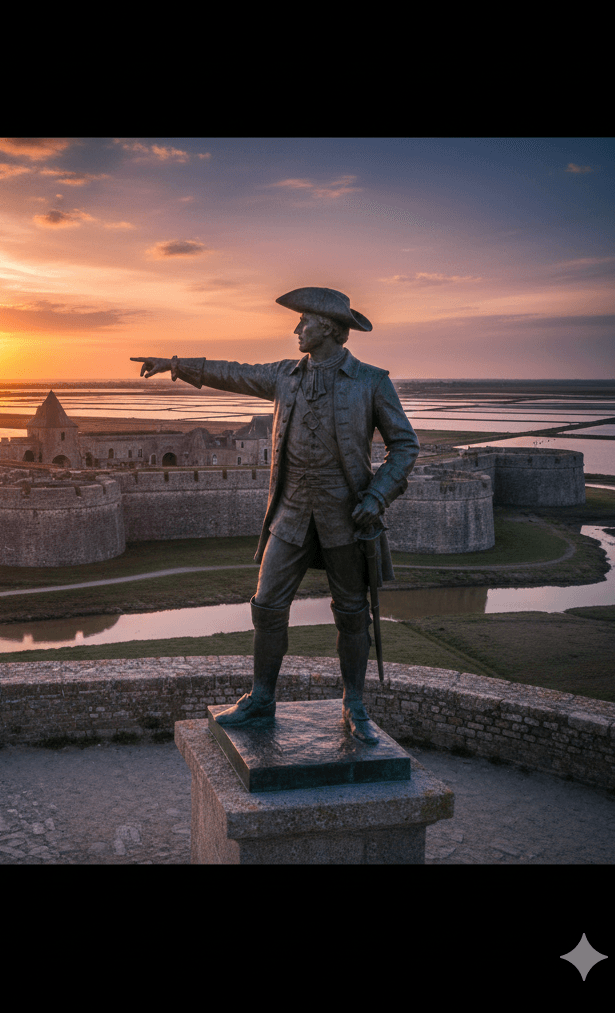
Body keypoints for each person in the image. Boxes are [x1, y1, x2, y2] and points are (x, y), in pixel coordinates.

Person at [131, 286, 419, 743]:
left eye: (303, 322)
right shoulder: (285, 376)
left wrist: (378, 496)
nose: (296, 329)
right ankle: (262, 698)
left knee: (350, 612)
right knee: (266, 605)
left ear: (326, 328)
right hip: (290, 512)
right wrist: (176, 365)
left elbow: (405, 445)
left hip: (345, 516)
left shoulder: (371, 381)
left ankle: (355, 704)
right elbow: (234, 374)